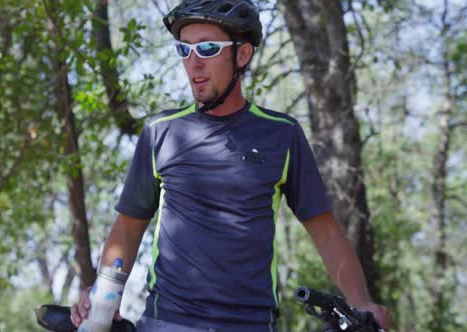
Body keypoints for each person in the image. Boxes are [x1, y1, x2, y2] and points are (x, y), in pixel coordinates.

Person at [71, 0, 392, 331]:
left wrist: (361, 303)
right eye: (184, 49)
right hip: (168, 320)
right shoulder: (161, 132)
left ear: (242, 55)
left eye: (208, 49)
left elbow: (324, 231)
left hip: (250, 323)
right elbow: (128, 226)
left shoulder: (282, 134)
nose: (193, 63)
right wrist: (100, 297)